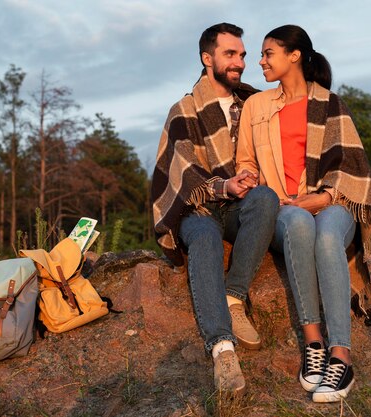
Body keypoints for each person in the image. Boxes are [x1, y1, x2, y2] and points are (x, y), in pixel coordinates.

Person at [236, 24, 371, 403]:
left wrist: (324, 196)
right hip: (284, 207)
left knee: (328, 233)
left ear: (294, 55)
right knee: (301, 223)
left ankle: (341, 356)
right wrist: (251, 181)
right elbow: (245, 162)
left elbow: (352, 165)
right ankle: (314, 343)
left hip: (333, 201)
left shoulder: (330, 103)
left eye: (268, 52)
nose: (260, 60)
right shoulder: (256, 106)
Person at [151, 23, 279, 395]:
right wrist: (224, 185)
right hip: (200, 211)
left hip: (240, 207)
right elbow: (184, 172)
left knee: (266, 199)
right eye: (230, 54)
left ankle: (233, 295)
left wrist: (249, 180)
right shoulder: (184, 110)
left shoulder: (254, 103)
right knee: (204, 236)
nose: (239, 61)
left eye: (241, 54)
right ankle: (222, 348)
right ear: (208, 59)